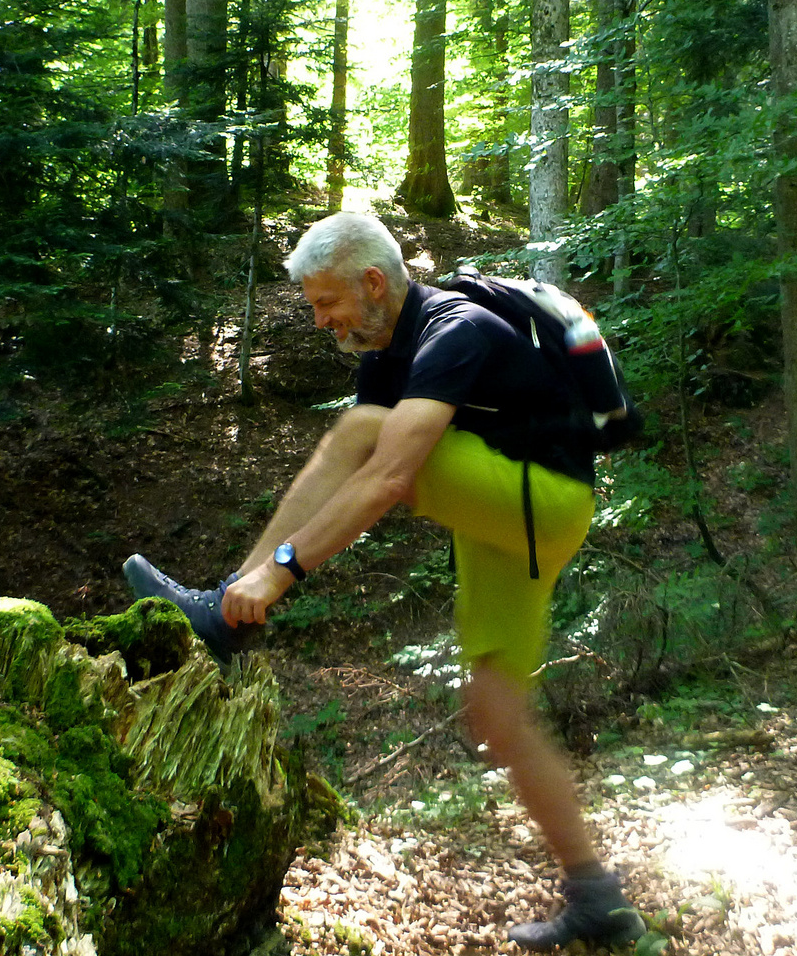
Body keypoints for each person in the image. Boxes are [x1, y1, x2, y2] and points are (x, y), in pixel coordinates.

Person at [122, 211, 644, 950]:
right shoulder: (384, 356)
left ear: (373, 282)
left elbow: (389, 474)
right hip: (507, 520)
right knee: (496, 705)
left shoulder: (454, 329)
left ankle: (221, 612)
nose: (319, 320)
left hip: (545, 501)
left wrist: (277, 575)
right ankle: (599, 898)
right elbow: (350, 471)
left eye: (325, 302)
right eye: (312, 306)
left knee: (369, 435)